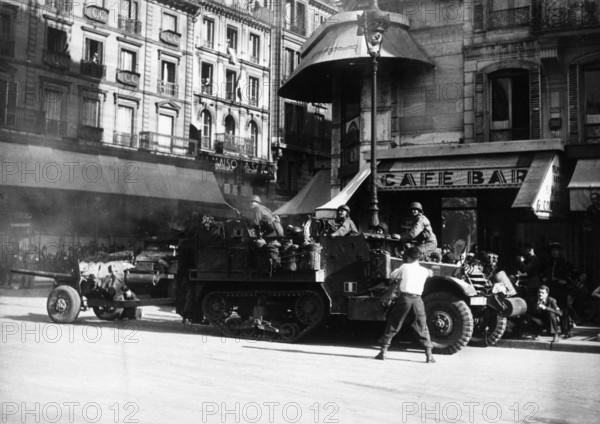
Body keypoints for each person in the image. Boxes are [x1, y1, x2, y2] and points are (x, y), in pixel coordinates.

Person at [374, 246, 436, 363]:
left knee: (394, 324)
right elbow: (430, 273)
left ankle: (383, 352)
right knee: (422, 326)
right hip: (418, 300)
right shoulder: (424, 271)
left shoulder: (405, 267)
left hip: (405, 299)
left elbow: (393, 276)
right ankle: (429, 355)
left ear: (408, 257)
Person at [541, 242, 573, 338]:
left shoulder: (565, 262)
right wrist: (543, 278)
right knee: (550, 307)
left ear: (559, 252)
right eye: (552, 250)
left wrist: (565, 281)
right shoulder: (547, 262)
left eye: (556, 250)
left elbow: (572, 274)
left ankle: (565, 330)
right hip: (551, 288)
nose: (554, 252)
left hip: (561, 289)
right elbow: (541, 272)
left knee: (563, 309)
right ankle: (551, 330)